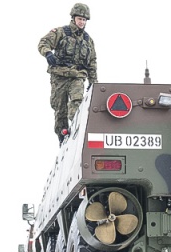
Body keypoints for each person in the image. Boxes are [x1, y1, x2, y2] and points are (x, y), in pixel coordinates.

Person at [38, 3, 97, 145]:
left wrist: (93, 82)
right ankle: (62, 134)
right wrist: (47, 54)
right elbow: (43, 42)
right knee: (60, 109)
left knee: (76, 102)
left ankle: (78, 127)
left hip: (77, 76)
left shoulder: (88, 41)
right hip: (60, 76)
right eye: (79, 19)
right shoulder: (61, 32)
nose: (82, 22)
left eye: (84, 20)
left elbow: (92, 62)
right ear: (73, 18)